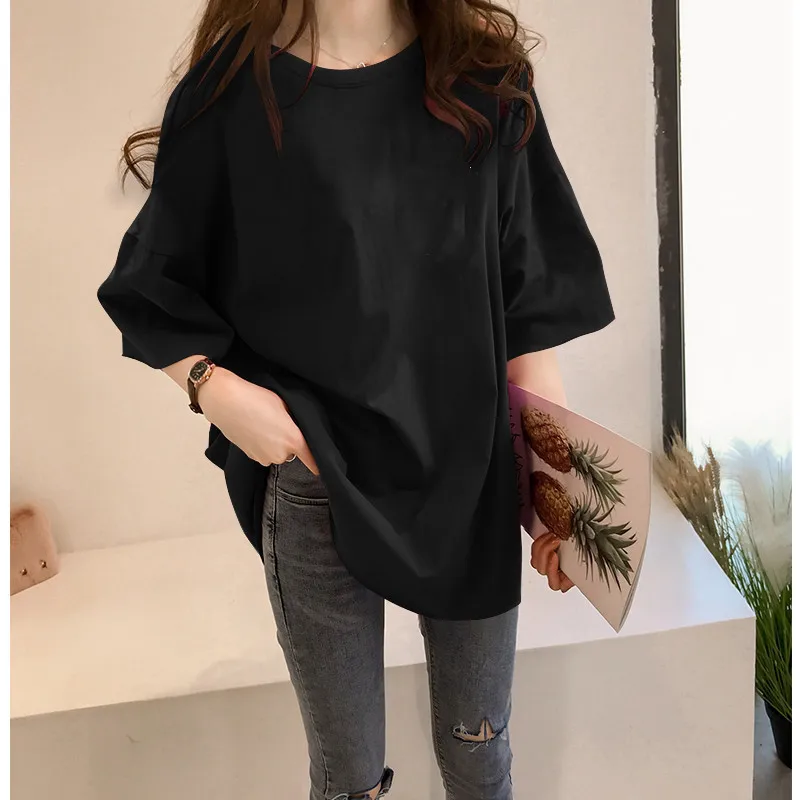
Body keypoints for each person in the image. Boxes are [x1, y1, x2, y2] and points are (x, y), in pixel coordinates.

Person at [97, 1, 615, 798]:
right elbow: (152, 283)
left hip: (470, 477)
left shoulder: (486, 84)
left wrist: (555, 494)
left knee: (482, 759)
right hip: (316, 481)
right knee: (349, 784)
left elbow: (528, 309)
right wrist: (217, 392)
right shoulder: (230, 93)